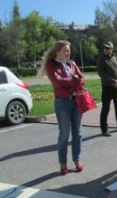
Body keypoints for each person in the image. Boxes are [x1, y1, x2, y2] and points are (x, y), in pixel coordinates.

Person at [37, 40, 84, 175]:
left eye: (69, 51)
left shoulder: (72, 63)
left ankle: (77, 160)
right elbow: (57, 83)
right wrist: (73, 80)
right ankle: (63, 163)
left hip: (76, 101)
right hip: (62, 103)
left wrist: (72, 81)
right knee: (64, 133)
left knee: (78, 133)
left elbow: (82, 79)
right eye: (66, 51)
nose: (68, 53)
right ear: (58, 51)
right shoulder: (51, 65)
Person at [97, 41, 117, 137]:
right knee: (105, 108)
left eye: (108, 48)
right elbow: (101, 73)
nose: (106, 50)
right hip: (107, 87)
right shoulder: (101, 59)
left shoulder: (116, 59)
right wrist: (113, 81)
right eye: (105, 48)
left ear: (112, 49)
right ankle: (104, 129)